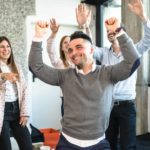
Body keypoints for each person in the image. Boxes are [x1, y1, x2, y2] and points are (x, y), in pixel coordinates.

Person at [29, 17, 140, 150]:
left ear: (92, 50)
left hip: (99, 144)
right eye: (70, 50)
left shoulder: (108, 73)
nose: (73, 53)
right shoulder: (64, 75)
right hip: (67, 143)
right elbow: (36, 67)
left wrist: (118, 31)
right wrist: (38, 36)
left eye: (78, 47)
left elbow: (133, 62)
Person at [92, 0, 150, 149]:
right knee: (108, 144)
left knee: (128, 145)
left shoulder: (133, 51)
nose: (110, 33)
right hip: (108, 105)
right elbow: (89, 49)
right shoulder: (104, 53)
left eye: (114, 30)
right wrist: (85, 26)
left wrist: (143, 17)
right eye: (108, 32)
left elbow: (148, 40)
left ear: (122, 33)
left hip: (127, 106)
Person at [47, 3, 91, 117]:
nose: (68, 44)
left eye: (69, 42)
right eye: (65, 43)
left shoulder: (80, 61)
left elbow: (87, 43)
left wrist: (84, 26)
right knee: (68, 127)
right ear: (62, 47)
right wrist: (53, 33)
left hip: (83, 98)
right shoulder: (59, 63)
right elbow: (50, 50)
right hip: (66, 100)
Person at [0, 36, 32, 150]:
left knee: (27, 145)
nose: (6, 49)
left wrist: (25, 112)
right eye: (2, 47)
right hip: (2, 113)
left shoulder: (16, 66)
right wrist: (3, 76)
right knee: (5, 147)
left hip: (17, 110)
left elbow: (25, 89)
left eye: (8, 46)